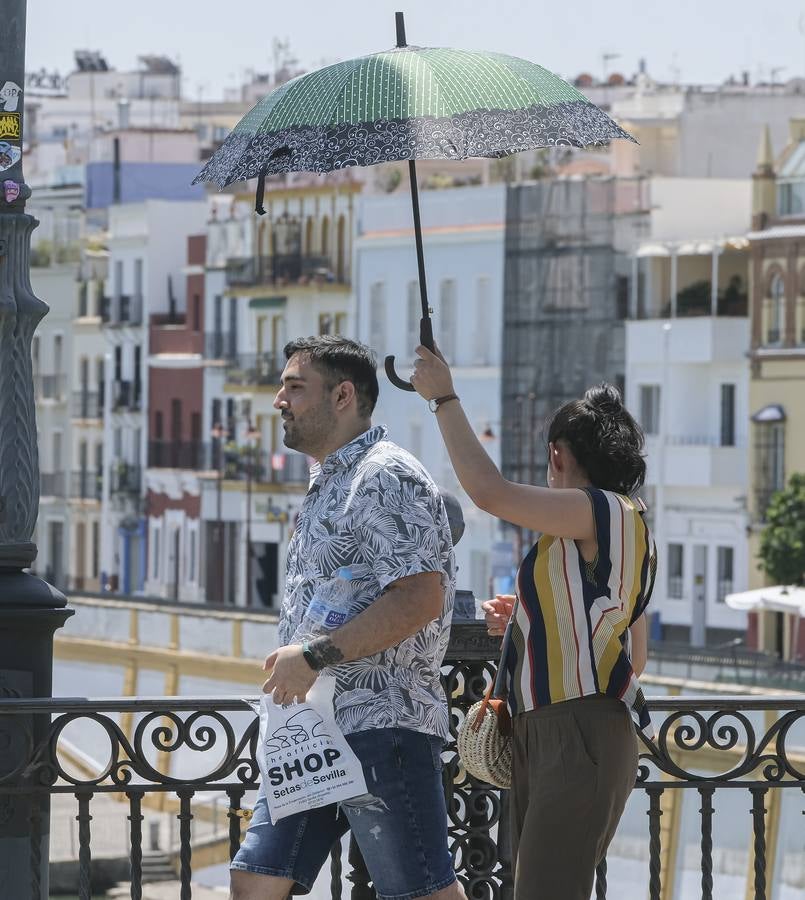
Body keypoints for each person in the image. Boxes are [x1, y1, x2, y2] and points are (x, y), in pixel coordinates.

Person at [410, 345, 656, 900]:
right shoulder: (612, 529)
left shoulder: (604, 510)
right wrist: (527, 623)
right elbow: (630, 654)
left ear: (558, 455)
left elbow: (489, 493)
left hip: (574, 734)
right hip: (570, 731)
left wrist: (444, 399)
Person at [230, 335, 465, 900]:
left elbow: (419, 597)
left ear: (342, 396)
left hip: (381, 723)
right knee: (256, 879)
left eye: (294, 387)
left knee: (421, 892)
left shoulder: (386, 477)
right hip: (316, 729)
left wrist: (312, 656)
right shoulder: (329, 480)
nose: (279, 401)